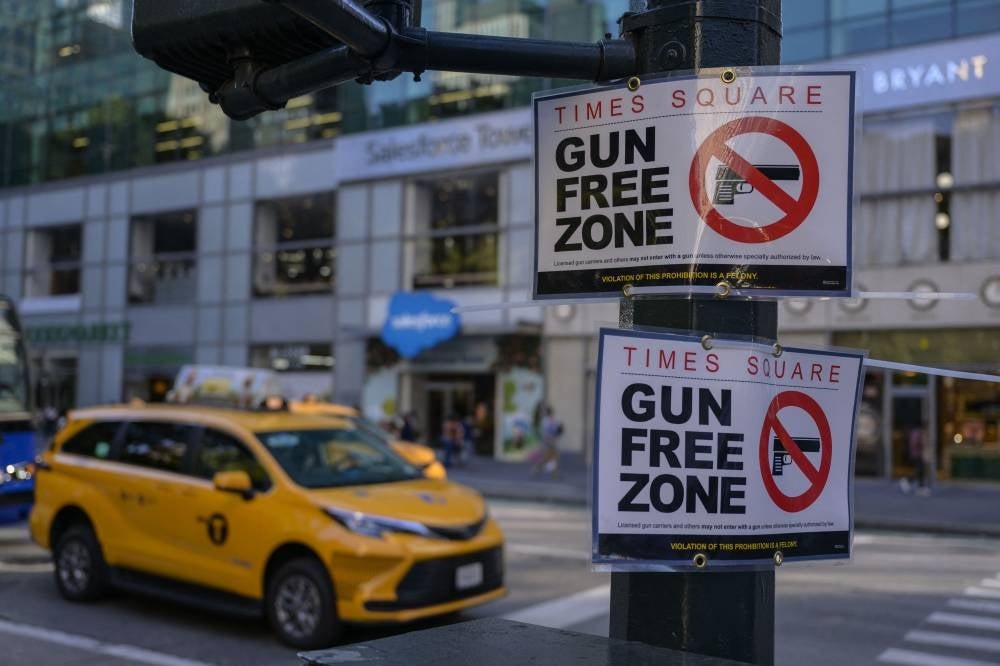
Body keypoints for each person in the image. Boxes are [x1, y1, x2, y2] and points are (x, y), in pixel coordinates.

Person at [533, 406, 563, 476]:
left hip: (550, 441)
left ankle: (554, 472)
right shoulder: (547, 420)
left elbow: (558, 429)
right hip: (548, 441)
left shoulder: (550, 420)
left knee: (554, 457)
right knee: (546, 457)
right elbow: (547, 431)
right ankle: (536, 469)